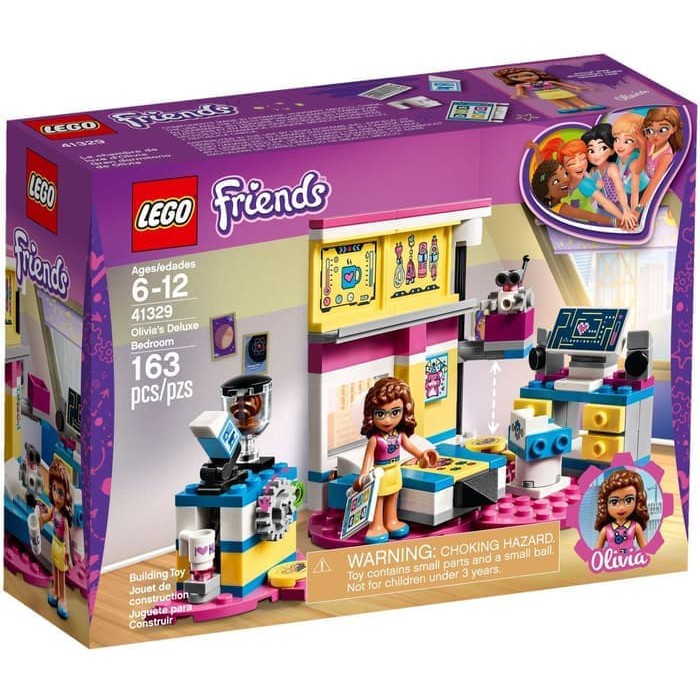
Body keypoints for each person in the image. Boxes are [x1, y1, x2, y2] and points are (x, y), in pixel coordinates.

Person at [355, 377, 437, 544]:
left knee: (393, 497)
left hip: (395, 471)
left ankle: (391, 521)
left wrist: (422, 455)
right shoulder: (375, 440)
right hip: (379, 473)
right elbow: (368, 458)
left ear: (404, 412)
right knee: (378, 500)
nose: (387, 420)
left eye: (395, 413)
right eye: (380, 414)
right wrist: (363, 476)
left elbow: (411, 447)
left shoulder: (400, 435)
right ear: (371, 414)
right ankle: (376, 525)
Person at [38, 459, 74, 619]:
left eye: (60, 492)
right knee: (55, 570)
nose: (56, 495)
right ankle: (55, 591)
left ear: (66, 494)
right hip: (54, 543)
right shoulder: (53, 509)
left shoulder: (64, 518)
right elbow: (47, 517)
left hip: (61, 547)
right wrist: (40, 518)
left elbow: (66, 536)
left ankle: (62, 598)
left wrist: (68, 554)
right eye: (54, 489)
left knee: (61, 573)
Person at [494, 66, 605, 113]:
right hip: (544, 94)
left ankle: (586, 105)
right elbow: (519, 89)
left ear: (537, 74)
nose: (524, 78)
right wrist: (520, 94)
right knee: (556, 101)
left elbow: (561, 84)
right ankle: (567, 107)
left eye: (528, 75)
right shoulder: (524, 84)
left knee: (572, 97)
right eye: (516, 77)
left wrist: (577, 87)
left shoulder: (547, 81)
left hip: (557, 90)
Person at [639, 106, 684, 208]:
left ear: (673, 129)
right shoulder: (649, 143)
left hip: (664, 194)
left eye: (662, 129)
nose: (655, 135)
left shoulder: (666, 156)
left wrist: (638, 208)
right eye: (650, 130)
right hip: (647, 187)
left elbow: (654, 183)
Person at [594, 469, 649, 552]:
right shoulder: (606, 529)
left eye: (629, 500)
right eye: (614, 502)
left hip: (630, 558)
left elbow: (646, 549)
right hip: (611, 558)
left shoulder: (635, 526)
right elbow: (596, 551)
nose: (621, 508)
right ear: (605, 504)